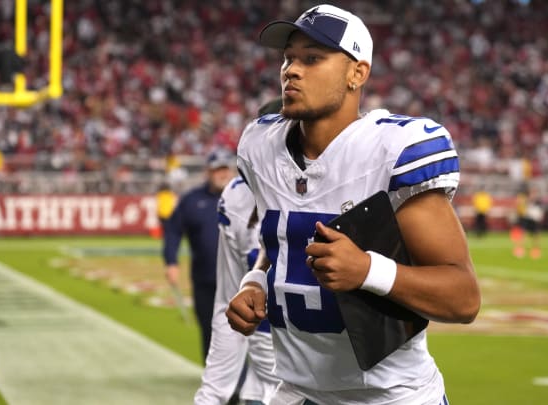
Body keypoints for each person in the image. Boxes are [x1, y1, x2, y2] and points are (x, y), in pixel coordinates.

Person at [226, 5, 480, 404]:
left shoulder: (393, 150)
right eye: (289, 58)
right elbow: (280, 240)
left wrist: (366, 270)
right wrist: (255, 281)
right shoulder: (261, 145)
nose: (291, 70)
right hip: (296, 391)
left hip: (389, 396)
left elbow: (463, 297)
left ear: (356, 74)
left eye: (312, 58)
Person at [195, 99, 282, 405]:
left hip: (328, 381)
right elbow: (228, 305)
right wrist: (212, 396)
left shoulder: (340, 188)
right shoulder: (235, 198)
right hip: (264, 381)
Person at [163, 148, 235, 361]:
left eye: (224, 169)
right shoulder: (192, 200)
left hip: (238, 279)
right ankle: (216, 381)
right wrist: (171, 261)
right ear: (208, 172)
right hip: (205, 278)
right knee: (209, 328)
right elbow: (173, 230)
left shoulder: (245, 197)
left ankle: (241, 382)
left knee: (242, 334)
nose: (221, 174)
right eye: (216, 170)